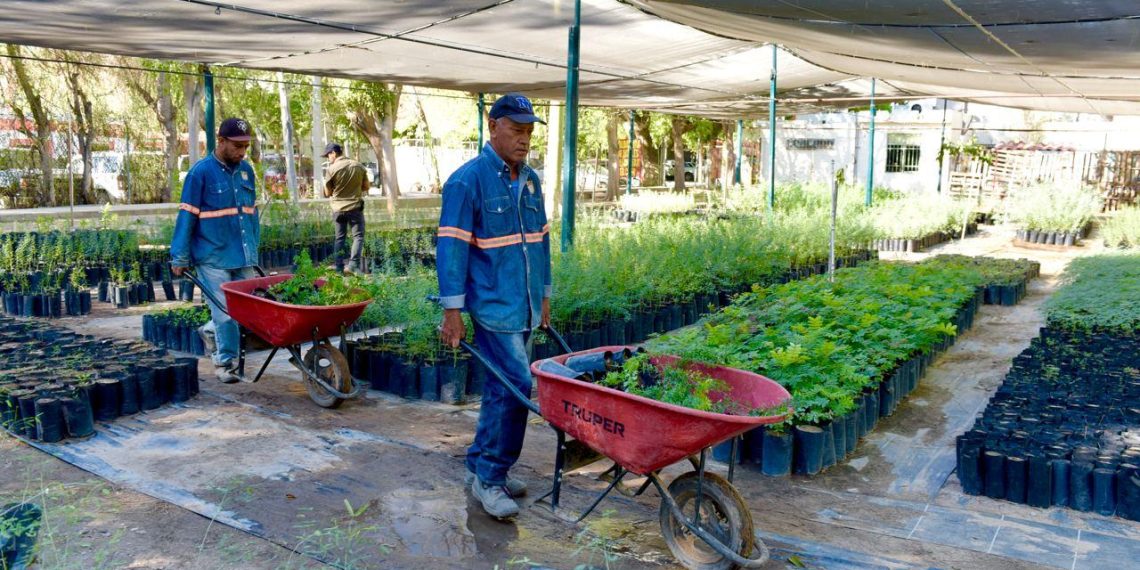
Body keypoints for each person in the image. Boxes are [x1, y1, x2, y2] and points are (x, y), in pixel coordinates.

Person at [437, 93, 551, 520]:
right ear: (493, 127)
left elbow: (542, 243)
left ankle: (482, 465)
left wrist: (544, 296)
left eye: (529, 132)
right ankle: (491, 477)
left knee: (500, 388)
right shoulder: (467, 181)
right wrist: (453, 311)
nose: (524, 139)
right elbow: (451, 251)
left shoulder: (532, 180)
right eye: (516, 130)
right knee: (518, 386)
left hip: (522, 303)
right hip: (492, 305)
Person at [170, 117, 260, 384]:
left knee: (248, 310)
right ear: (220, 141)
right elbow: (186, 216)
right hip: (212, 256)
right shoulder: (200, 173)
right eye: (237, 146)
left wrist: (253, 251)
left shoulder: (246, 172)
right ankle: (225, 362)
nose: (242, 152)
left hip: (241, 254)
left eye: (245, 146)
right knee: (224, 312)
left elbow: (250, 215)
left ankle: (211, 333)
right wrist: (180, 256)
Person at [322, 142, 369, 274]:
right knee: (358, 236)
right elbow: (366, 187)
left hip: (338, 209)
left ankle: (339, 268)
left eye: (328, 155)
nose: (328, 158)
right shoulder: (358, 166)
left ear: (334, 153)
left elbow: (327, 192)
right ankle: (353, 265)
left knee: (340, 238)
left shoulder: (331, 169)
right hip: (355, 208)